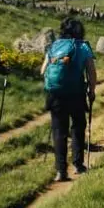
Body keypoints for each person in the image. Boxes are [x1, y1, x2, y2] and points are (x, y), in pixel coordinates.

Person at [41, 18, 97, 182]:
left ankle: (60, 171)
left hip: (55, 95)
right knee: (78, 127)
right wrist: (91, 91)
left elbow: (43, 70)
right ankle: (78, 165)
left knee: (59, 131)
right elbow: (91, 72)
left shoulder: (54, 46)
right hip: (76, 94)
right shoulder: (83, 46)